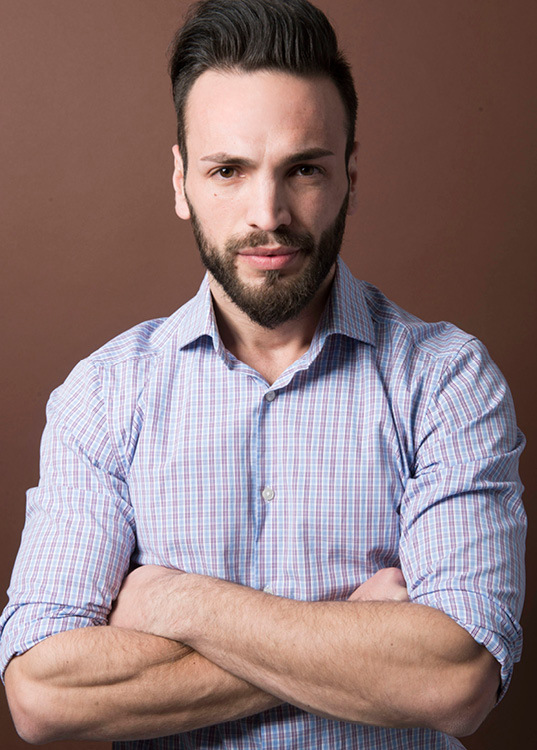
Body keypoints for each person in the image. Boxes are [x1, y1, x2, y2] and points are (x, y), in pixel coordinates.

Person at [0, 0, 526, 747]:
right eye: (228, 170)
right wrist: (356, 640)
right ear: (181, 182)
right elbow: (42, 696)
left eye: (303, 169)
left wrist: (179, 603)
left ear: (349, 175)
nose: (267, 213)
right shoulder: (104, 395)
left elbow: (456, 680)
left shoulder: (446, 381)